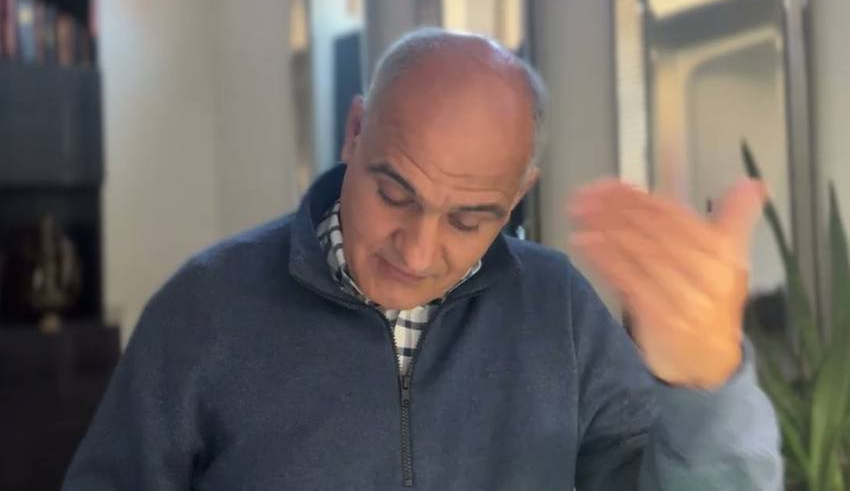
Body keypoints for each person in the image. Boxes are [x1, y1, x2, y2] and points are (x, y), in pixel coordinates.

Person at [62, 28, 782, 490]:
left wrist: (707, 393)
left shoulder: (558, 309)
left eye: (469, 218)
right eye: (394, 192)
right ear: (354, 132)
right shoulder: (206, 306)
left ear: (517, 196)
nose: (417, 248)